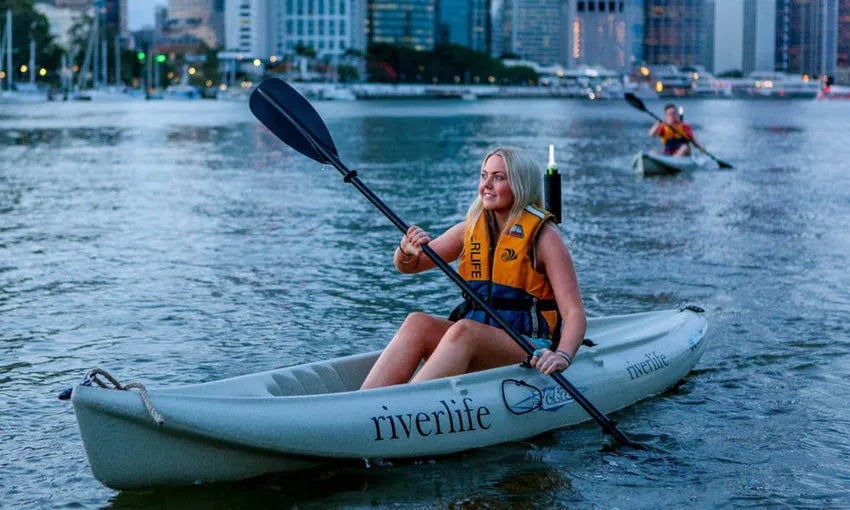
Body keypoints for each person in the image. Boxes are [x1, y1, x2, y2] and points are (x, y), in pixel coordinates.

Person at [360, 147, 586, 389]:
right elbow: (410, 266)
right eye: (483, 175)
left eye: (499, 177)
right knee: (418, 323)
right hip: (478, 336)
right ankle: (365, 403)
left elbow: (574, 313)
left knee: (465, 330)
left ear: (521, 184)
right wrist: (406, 249)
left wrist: (561, 355)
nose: (487, 184)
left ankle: (404, 408)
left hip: (529, 345)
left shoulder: (544, 237)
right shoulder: (469, 230)